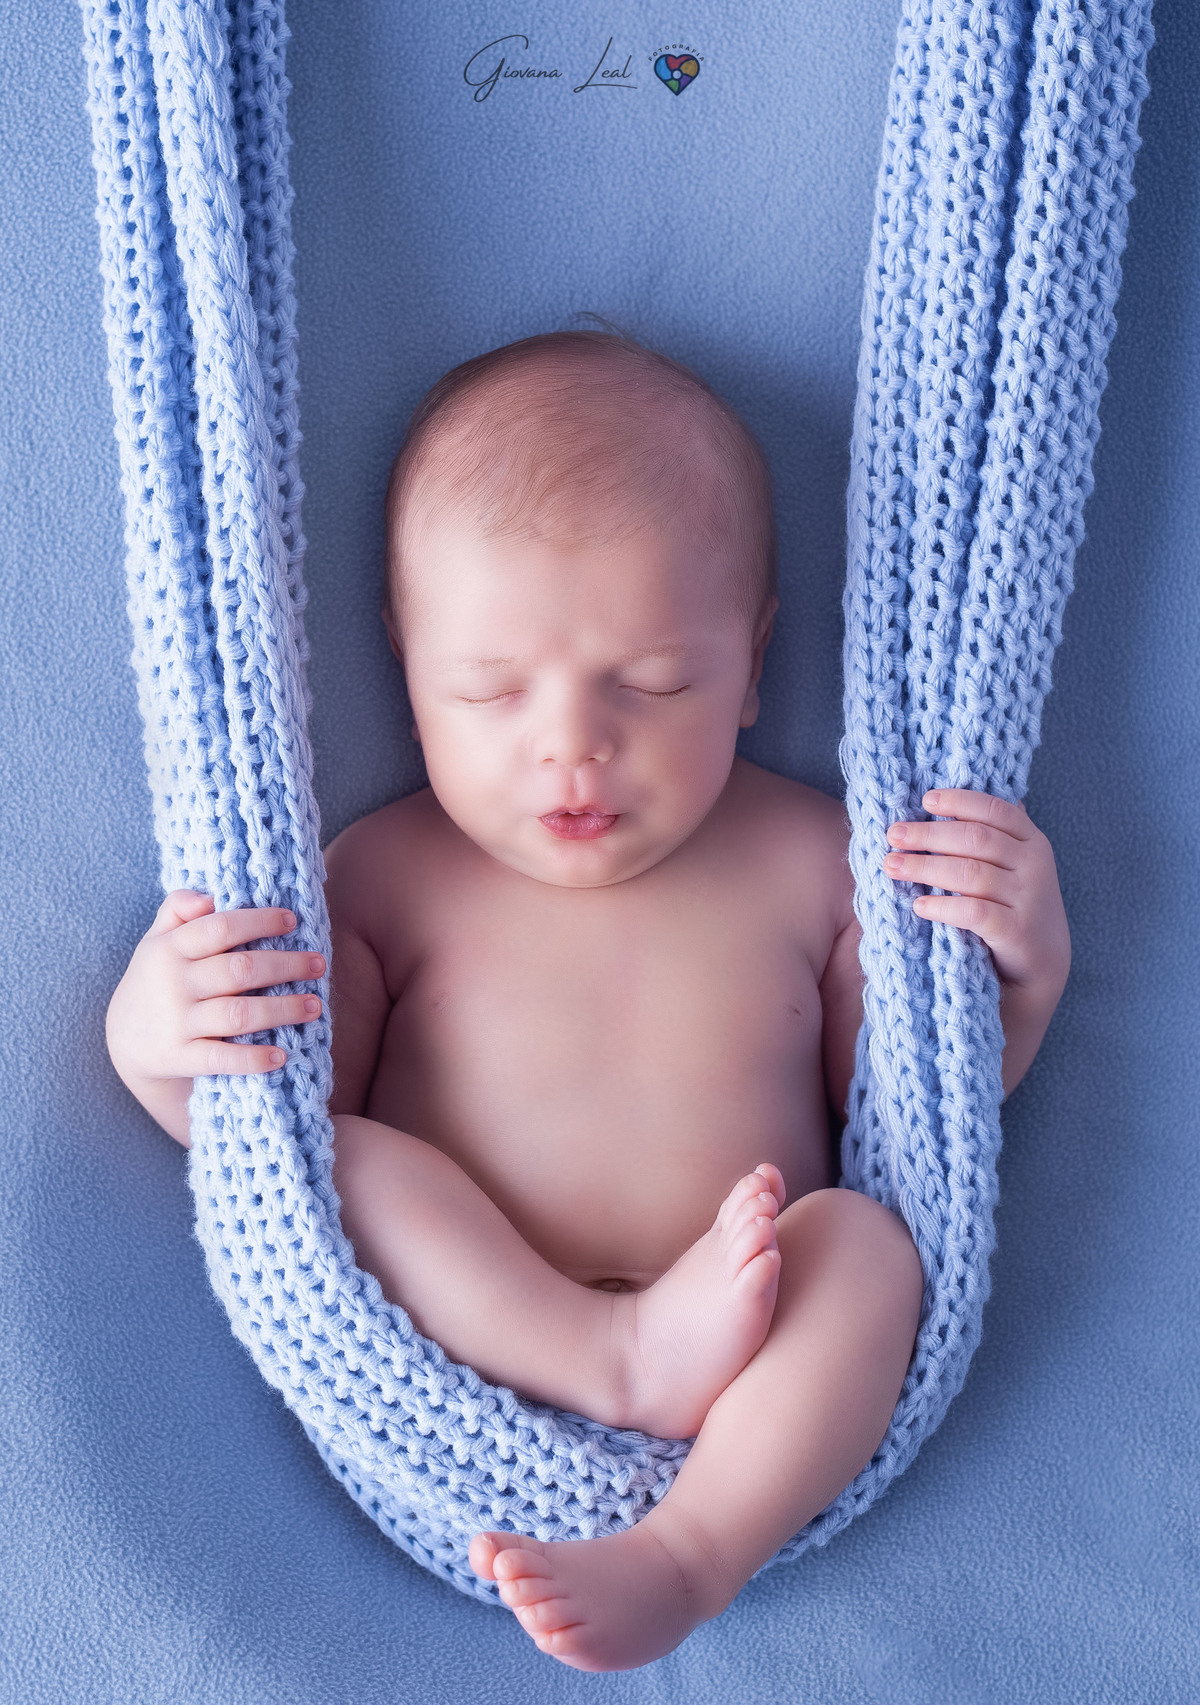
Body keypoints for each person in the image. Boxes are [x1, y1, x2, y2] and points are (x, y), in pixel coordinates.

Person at [106, 330, 1072, 1672]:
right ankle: (610, 1349)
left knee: (868, 1246)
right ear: (403, 659)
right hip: (472, 1351)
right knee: (341, 1161)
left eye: (652, 681)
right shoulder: (380, 878)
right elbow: (260, 1142)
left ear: (750, 660)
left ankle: (687, 1549)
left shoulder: (823, 861)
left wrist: (1019, 971)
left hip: (753, 1365)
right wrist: (158, 1040)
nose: (571, 741)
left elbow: (919, 1108)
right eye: (488, 690)